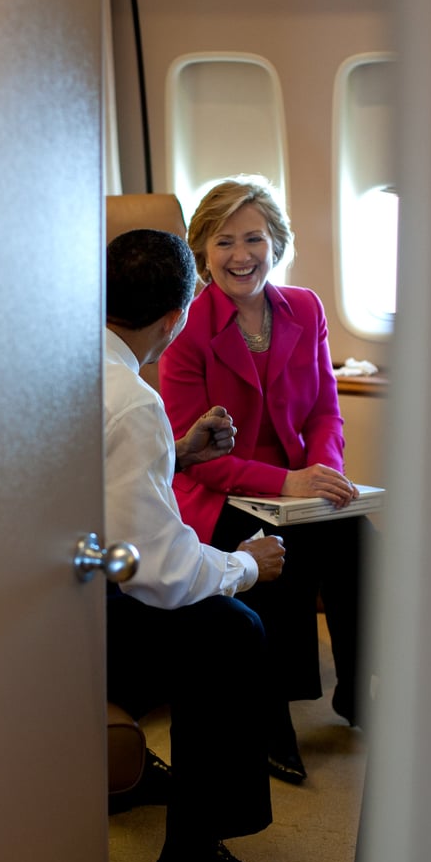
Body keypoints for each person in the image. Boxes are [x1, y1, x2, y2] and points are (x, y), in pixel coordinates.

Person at [105, 226, 320, 862]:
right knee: (230, 630)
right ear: (175, 318)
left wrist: (178, 457)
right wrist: (245, 567)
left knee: (218, 617)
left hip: (32, 584)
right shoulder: (133, 404)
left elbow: (95, 489)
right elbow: (160, 571)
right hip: (77, 602)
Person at [158, 177, 375, 784]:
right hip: (221, 492)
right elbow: (194, 455)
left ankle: (357, 691)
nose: (241, 254)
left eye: (254, 237)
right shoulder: (187, 329)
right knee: (273, 557)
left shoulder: (305, 307)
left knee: (362, 545)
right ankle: (271, 714)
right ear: (203, 250)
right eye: (224, 241)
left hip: (301, 483)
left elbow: (326, 410)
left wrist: (324, 472)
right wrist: (289, 483)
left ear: (275, 243)